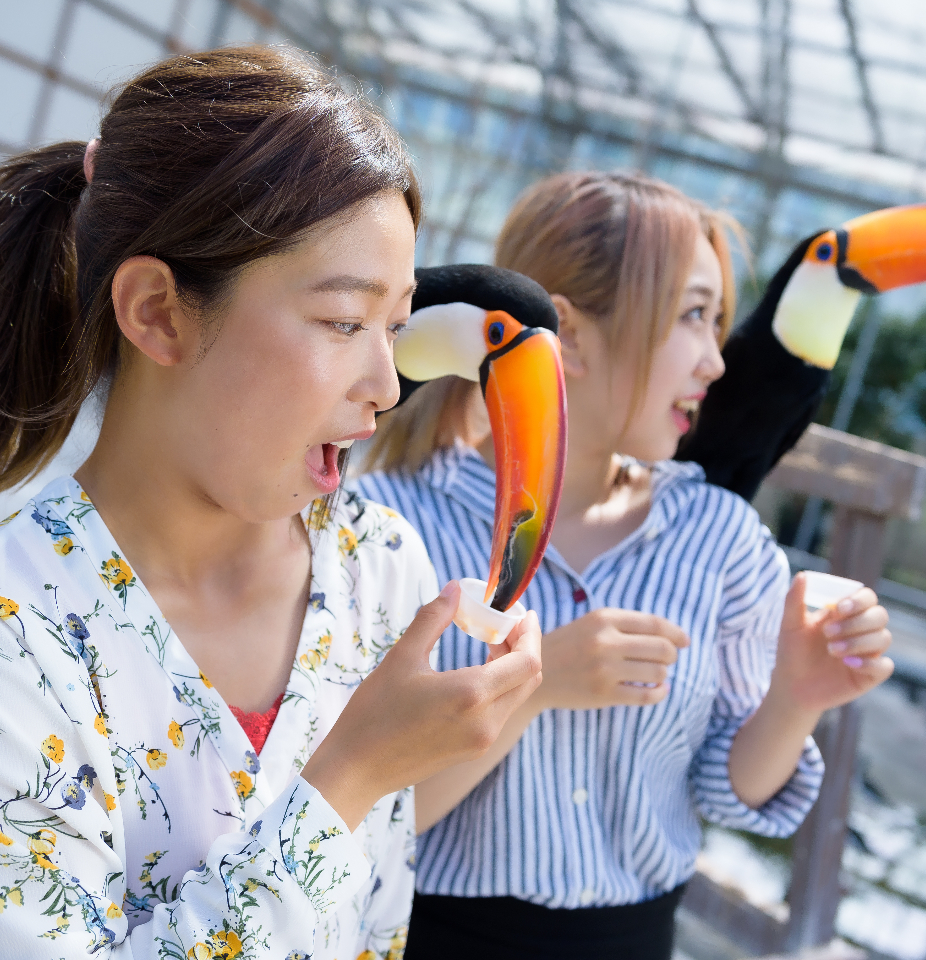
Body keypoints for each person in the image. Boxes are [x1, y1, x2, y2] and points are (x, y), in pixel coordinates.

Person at [0, 46, 543, 959]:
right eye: (344, 322)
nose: (387, 383)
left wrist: (472, 725)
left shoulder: (381, 566)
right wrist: (350, 774)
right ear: (159, 312)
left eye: (396, 327)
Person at [357, 171, 895, 959]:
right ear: (567, 335)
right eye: (695, 317)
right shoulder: (394, 524)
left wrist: (800, 695)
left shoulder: (723, 538)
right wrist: (532, 691)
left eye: (719, 323)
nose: (716, 363)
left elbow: (731, 790)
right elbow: (364, 805)